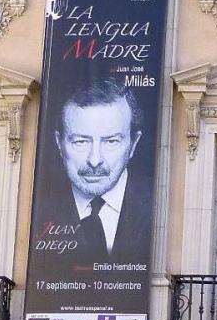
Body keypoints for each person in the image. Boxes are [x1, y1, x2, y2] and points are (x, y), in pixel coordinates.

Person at [45, 77, 153, 263]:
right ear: (59, 143)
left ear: (133, 144)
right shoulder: (42, 207)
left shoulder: (154, 202)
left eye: (111, 141)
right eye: (81, 141)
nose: (95, 160)